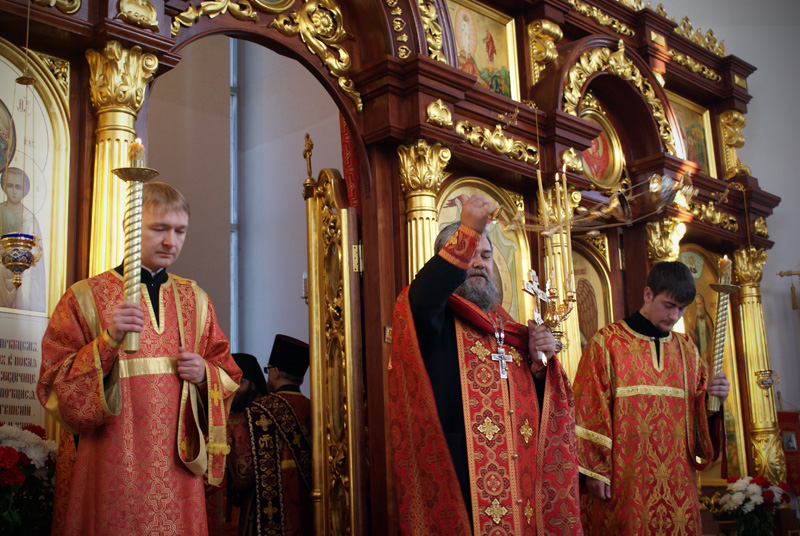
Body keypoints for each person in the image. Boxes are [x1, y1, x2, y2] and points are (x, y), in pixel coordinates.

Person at [37, 181, 241, 536]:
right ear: (129, 228)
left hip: (178, 471)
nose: (171, 241)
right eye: (159, 229)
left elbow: (228, 374)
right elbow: (53, 385)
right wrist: (107, 341)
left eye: (180, 231)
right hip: (111, 464)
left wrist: (204, 374)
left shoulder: (195, 300)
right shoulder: (85, 297)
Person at [389, 194, 583, 535]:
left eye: (487, 255)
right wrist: (469, 230)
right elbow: (425, 295)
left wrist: (539, 367)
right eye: (471, 254)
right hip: (462, 478)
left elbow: (539, 410)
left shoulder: (508, 329)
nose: (479, 263)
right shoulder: (433, 319)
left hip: (519, 482)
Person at [574, 261, 730, 535]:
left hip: (679, 484)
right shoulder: (607, 343)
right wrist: (595, 471)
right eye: (669, 306)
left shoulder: (687, 351)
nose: (674, 316)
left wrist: (712, 401)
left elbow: (698, 420)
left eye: (681, 309)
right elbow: (589, 408)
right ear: (648, 294)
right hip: (625, 483)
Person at [227, 334, 313, 536]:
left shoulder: (257, 412)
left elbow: (242, 474)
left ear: (275, 372)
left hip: (266, 517)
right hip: (309, 512)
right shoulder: (315, 410)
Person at [206, 353, 268, 536]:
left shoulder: (260, 419)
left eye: (240, 382)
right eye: (229, 381)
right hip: (211, 503)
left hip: (244, 503)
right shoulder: (213, 414)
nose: (233, 388)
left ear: (253, 385)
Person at [0, 166, 46, 312]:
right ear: (4, 187)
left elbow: (35, 251)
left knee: (29, 278)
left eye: (18, 187)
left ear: (25, 190)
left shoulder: (29, 219)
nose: (14, 191)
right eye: (10, 186)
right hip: (1, 262)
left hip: (23, 267)